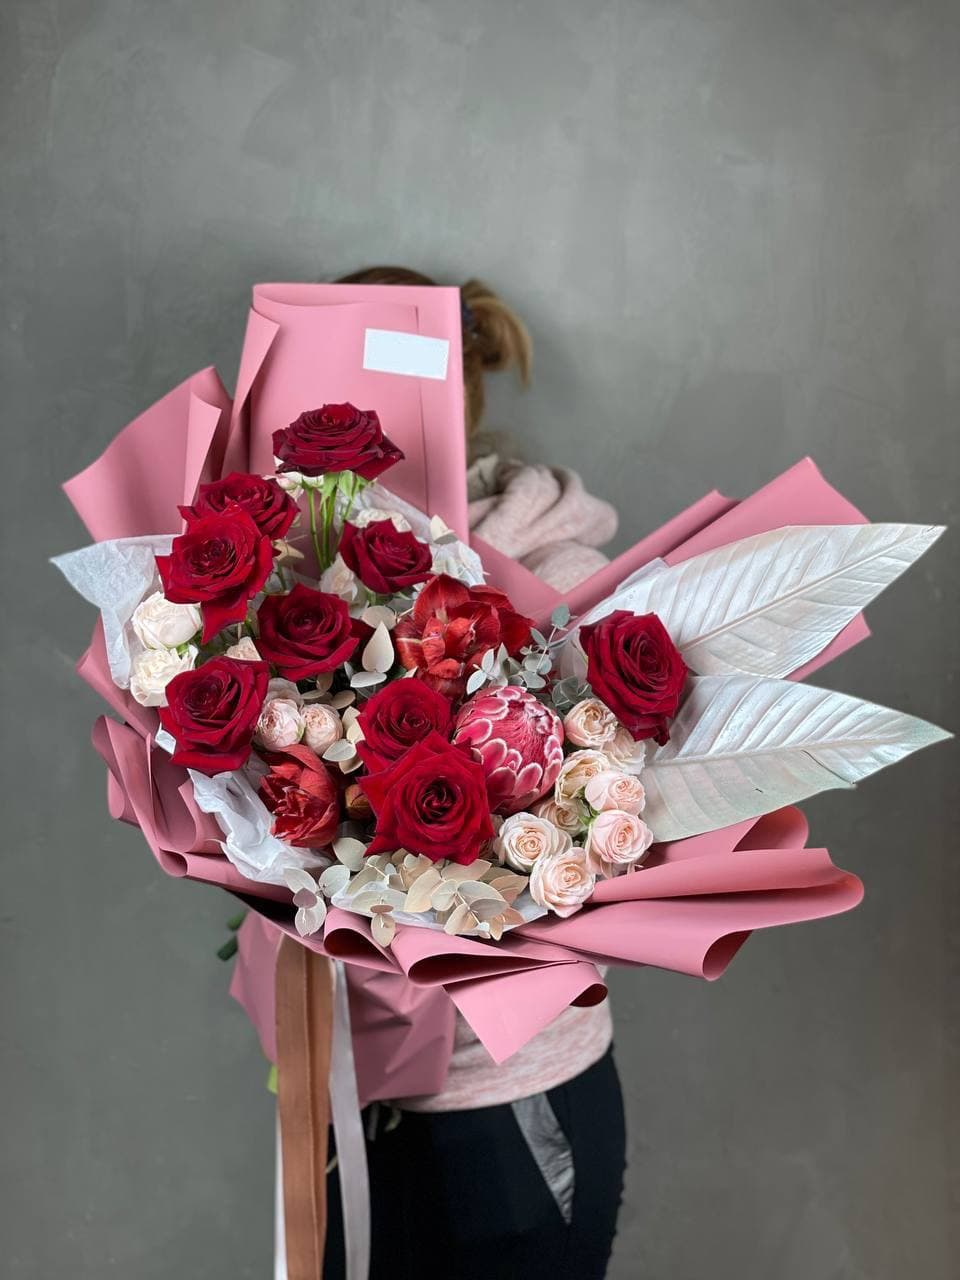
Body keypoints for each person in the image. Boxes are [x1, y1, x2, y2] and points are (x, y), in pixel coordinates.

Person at [320, 267, 627, 1280]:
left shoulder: (555, 570)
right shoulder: (291, 580)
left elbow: (623, 813)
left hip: (512, 1096)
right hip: (351, 1087)